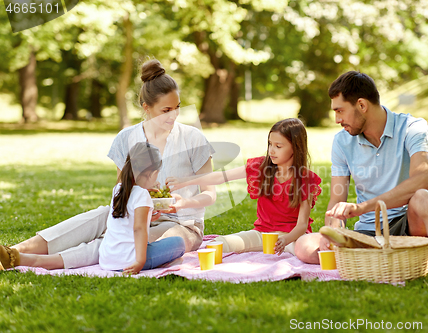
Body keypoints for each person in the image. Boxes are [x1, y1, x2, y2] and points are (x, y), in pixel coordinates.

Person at [1, 59, 216, 271]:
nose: (174, 115)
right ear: (146, 108)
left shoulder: (193, 138)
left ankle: (30, 261)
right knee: (93, 219)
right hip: (135, 212)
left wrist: (182, 203)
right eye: (166, 110)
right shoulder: (126, 138)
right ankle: (11, 252)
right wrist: (142, 204)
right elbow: (122, 190)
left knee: (121, 242)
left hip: (182, 225)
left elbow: (210, 194)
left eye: (177, 107)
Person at [294, 71, 428, 289]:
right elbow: (338, 197)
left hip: (408, 224)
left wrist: (362, 207)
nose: (337, 120)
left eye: (340, 111)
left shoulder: (413, 127)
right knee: (304, 245)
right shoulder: (342, 142)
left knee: (422, 197)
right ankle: (418, 255)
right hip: (368, 233)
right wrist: (333, 228)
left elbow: (421, 179)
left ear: (362, 105)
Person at [166, 118, 322, 256]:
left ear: (295, 147)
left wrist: (285, 240)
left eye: (278, 146)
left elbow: (302, 224)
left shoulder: (305, 179)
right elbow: (222, 176)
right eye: (270, 144)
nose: (271, 150)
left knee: (307, 252)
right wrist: (185, 181)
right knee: (217, 244)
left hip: (293, 238)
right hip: (262, 234)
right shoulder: (261, 167)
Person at [99, 142, 185, 274]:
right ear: (152, 173)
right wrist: (140, 262)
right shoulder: (142, 194)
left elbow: (126, 220)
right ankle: (155, 262)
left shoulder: (118, 189)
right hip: (129, 261)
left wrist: (148, 218)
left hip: (107, 259)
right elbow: (138, 229)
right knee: (179, 243)